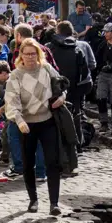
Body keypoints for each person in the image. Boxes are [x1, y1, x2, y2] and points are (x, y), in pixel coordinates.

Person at [4, 38, 68, 216]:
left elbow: (62, 85)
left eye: (34, 53)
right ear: (21, 56)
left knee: (52, 162)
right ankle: (33, 199)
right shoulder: (16, 75)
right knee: (27, 164)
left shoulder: (47, 69)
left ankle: (54, 203)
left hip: (47, 121)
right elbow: (11, 101)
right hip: (26, 125)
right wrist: (19, 120)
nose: (31, 57)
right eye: (27, 54)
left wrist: (62, 97)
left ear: (39, 54)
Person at [46, 21, 94, 154]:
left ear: (57, 31)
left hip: (54, 88)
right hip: (74, 87)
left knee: (53, 117)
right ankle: (76, 145)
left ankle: (57, 146)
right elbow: (85, 71)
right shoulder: (77, 48)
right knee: (75, 115)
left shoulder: (49, 47)